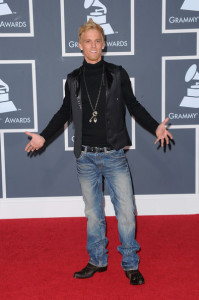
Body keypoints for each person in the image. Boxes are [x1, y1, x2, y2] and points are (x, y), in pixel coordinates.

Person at [25, 19, 173, 285]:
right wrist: (44, 137)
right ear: (80, 46)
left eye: (97, 40)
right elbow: (64, 113)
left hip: (114, 155)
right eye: (87, 41)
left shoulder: (117, 74)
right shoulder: (72, 80)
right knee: (93, 213)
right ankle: (97, 260)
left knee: (126, 212)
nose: (93, 45)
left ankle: (130, 263)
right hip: (85, 158)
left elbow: (134, 105)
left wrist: (156, 129)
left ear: (103, 44)